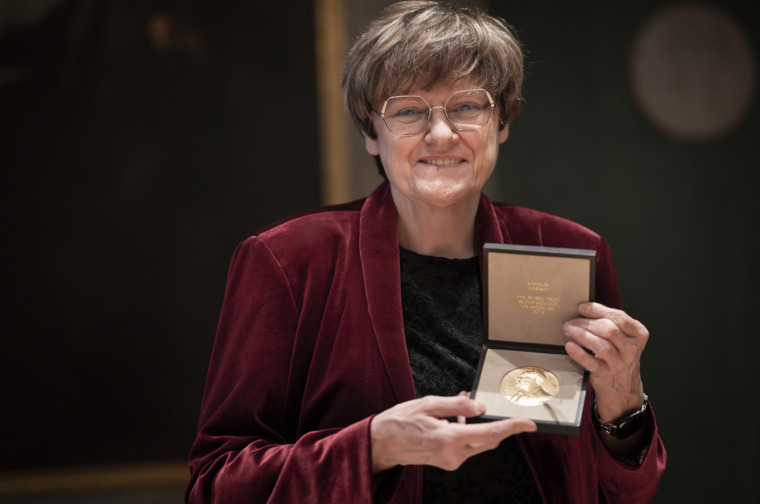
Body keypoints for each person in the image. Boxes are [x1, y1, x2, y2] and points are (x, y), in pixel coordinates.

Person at [186, 2, 666, 502]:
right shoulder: (287, 262)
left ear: (500, 122)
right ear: (372, 134)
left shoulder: (568, 250)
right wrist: (373, 446)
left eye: (466, 107)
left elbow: (627, 492)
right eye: (409, 111)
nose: (441, 134)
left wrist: (623, 401)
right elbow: (215, 486)